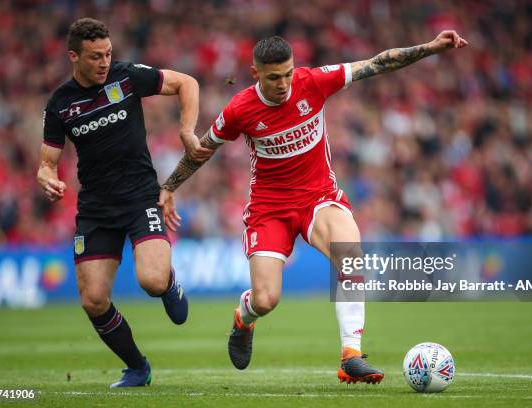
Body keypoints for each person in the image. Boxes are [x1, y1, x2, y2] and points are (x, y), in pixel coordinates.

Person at [159, 31, 468, 384]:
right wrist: (169, 186)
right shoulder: (239, 109)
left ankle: (351, 355)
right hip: (269, 209)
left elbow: (377, 63)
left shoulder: (314, 82)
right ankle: (244, 319)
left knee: (351, 255)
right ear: (255, 73)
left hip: (319, 198)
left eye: (288, 73)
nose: (283, 84)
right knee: (266, 299)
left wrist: (430, 48)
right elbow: (203, 150)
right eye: (273, 77)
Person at [37, 18, 211, 388]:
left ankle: (167, 281)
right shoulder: (60, 104)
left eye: (108, 54)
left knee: (151, 281)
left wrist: (185, 128)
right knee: (94, 300)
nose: (104, 62)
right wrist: (46, 178)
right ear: (73, 56)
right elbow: (47, 162)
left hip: (140, 199)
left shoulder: (126, 77)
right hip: (96, 210)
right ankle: (137, 366)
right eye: (95, 56)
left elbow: (187, 83)